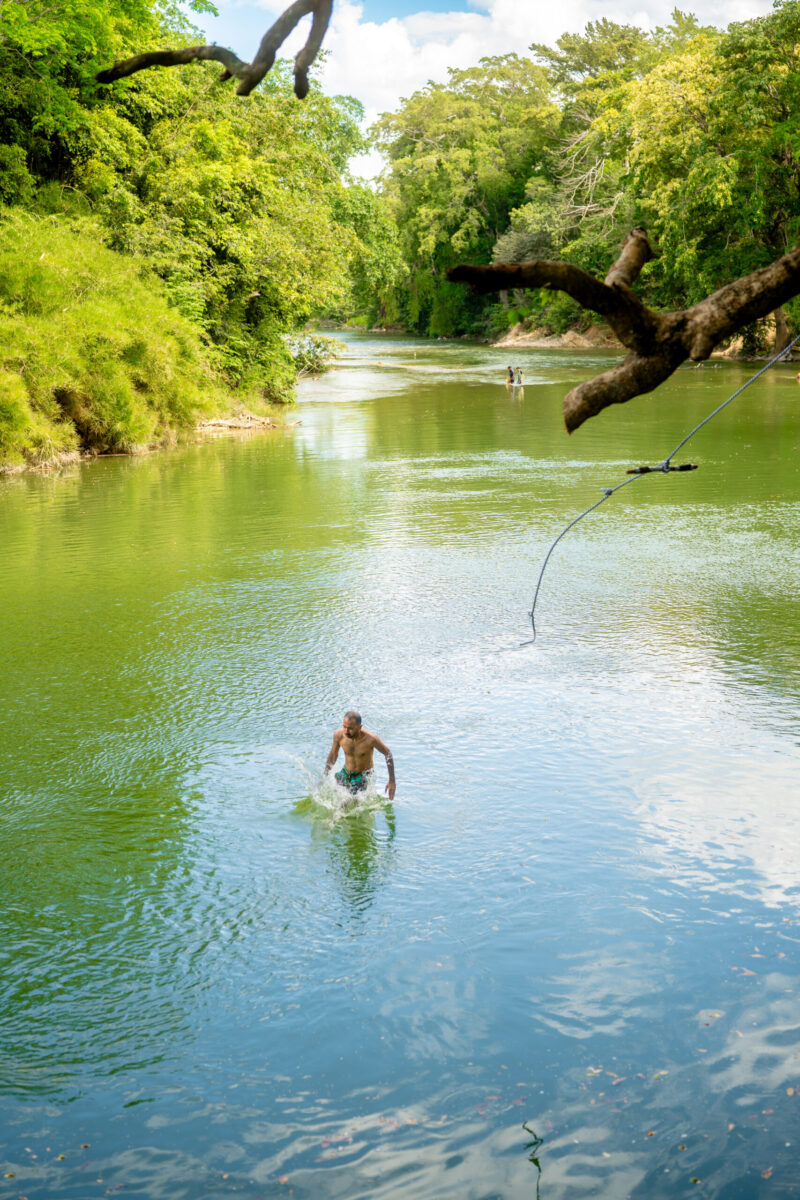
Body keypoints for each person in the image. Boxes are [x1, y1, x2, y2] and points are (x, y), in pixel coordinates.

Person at [326, 710, 396, 800]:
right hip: (346, 772)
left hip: (363, 775)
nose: (346, 731)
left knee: (347, 803)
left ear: (359, 727)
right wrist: (326, 774)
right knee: (334, 797)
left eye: (350, 728)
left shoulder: (371, 739)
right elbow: (333, 755)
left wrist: (392, 781)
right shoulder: (339, 735)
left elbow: (388, 754)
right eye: (344, 727)